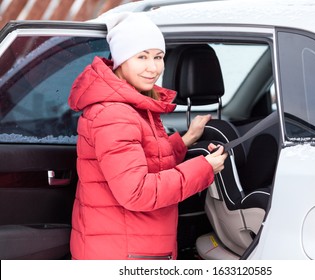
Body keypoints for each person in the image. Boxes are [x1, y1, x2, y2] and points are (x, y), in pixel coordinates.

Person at [67, 12, 227, 260]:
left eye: (158, 57)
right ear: (121, 60)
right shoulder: (115, 114)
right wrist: (203, 168)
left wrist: (185, 140)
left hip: (128, 245)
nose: (153, 68)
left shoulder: (129, 106)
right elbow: (137, 192)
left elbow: (145, 157)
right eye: (142, 57)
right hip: (125, 253)